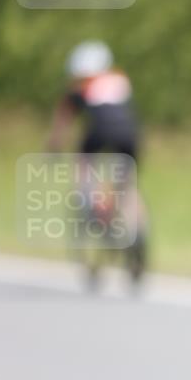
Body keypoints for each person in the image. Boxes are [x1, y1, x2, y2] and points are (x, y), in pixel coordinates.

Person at [48, 40, 147, 282]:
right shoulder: (121, 79)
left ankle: (92, 202)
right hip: (131, 136)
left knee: (83, 165)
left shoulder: (80, 87)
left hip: (99, 134)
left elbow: (63, 119)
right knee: (126, 185)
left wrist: (53, 146)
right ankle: (138, 230)